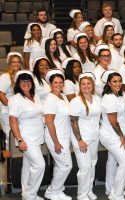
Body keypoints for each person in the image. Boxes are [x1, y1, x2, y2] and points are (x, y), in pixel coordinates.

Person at [9, 70, 45, 200]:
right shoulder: (15, 99)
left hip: (38, 136)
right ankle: (30, 195)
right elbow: (13, 121)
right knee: (40, 165)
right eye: (22, 81)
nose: (26, 83)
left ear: (32, 82)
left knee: (28, 165)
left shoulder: (35, 96)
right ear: (18, 83)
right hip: (26, 138)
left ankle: (27, 192)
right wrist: (20, 140)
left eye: (28, 80)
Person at [69, 72, 101, 200]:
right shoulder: (76, 101)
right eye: (83, 84)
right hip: (81, 138)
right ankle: (82, 194)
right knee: (85, 167)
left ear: (92, 85)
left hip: (94, 136)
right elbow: (73, 121)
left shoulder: (97, 98)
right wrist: (80, 140)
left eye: (88, 83)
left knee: (92, 163)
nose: (86, 86)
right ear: (80, 86)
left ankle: (89, 190)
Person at [100, 70, 125, 200]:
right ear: (108, 83)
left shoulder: (119, 95)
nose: (118, 84)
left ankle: (110, 188)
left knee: (112, 161)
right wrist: (122, 137)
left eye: (119, 81)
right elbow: (113, 121)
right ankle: (116, 194)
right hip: (111, 135)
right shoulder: (109, 98)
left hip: (116, 133)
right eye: (114, 81)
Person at [43, 69, 72, 200]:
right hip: (55, 137)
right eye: (55, 83)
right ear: (50, 84)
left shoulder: (63, 96)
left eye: (61, 82)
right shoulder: (50, 99)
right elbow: (49, 122)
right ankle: (51, 191)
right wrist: (56, 142)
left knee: (60, 165)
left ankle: (58, 190)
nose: (58, 85)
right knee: (66, 165)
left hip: (64, 135)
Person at [0, 52, 23, 150]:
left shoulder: (21, 76)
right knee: (9, 134)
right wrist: (11, 108)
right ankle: (9, 161)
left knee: (19, 133)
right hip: (7, 111)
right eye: (13, 62)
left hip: (19, 110)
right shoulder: (5, 77)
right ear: (9, 64)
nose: (16, 64)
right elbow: (1, 95)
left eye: (18, 62)